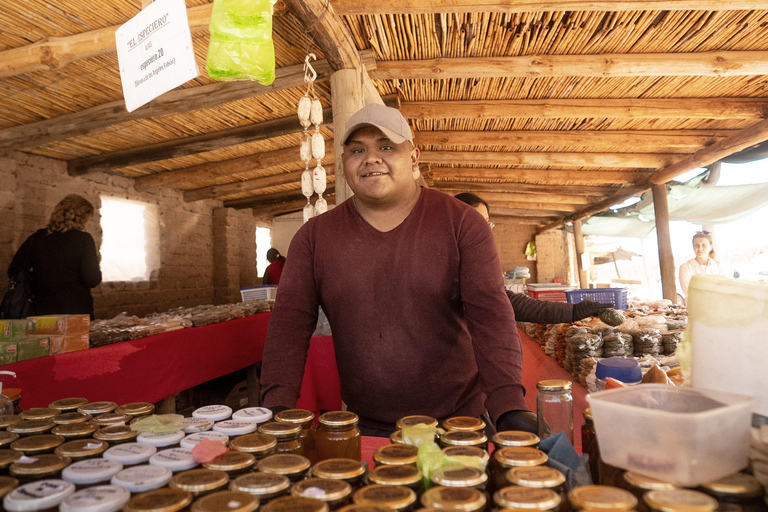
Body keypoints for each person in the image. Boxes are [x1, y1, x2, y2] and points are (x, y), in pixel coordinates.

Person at [260, 103, 538, 436]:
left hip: (459, 423)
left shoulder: (462, 223)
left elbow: (491, 315)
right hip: (364, 425)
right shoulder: (314, 237)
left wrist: (508, 406)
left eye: (387, 147)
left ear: (414, 159)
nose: (372, 158)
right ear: (343, 165)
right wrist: (276, 404)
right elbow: (289, 323)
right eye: (357, 150)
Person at [453, 192, 612, 324]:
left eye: (487, 223)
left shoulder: (474, 262)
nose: (486, 230)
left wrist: (574, 311)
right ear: (454, 222)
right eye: (477, 222)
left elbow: (505, 302)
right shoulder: (444, 260)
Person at [8, 195, 102, 319]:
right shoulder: (84, 239)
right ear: (80, 218)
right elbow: (92, 279)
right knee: (76, 339)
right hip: (75, 311)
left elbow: (14, 269)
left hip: (41, 309)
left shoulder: (37, 237)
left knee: (44, 339)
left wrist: (39, 280)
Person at [678, 230, 730, 298]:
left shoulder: (718, 266)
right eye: (697, 245)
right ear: (693, 246)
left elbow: (726, 288)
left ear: (710, 247)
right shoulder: (686, 268)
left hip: (718, 306)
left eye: (704, 245)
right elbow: (689, 293)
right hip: (696, 307)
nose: (700, 248)